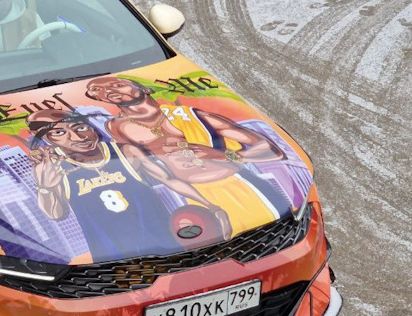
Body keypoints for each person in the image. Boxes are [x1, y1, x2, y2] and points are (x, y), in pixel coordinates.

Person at [85, 76, 290, 237]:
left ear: (145, 89)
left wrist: (225, 155)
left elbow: (272, 150)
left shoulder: (193, 116)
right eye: (99, 91)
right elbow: (152, 173)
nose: (109, 91)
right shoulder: (116, 129)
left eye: (116, 85)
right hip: (192, 199)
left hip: (243, 186)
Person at [27, 109, 183, 262]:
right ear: (45, 138)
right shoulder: (52, 166)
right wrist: (46, 187)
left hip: (165, 245)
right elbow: (55, 214)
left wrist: (200, 203)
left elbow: (169, 179)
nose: (78, 137)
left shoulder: (123, 151)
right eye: (59, 133)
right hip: (113, 256)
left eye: (81, 128)